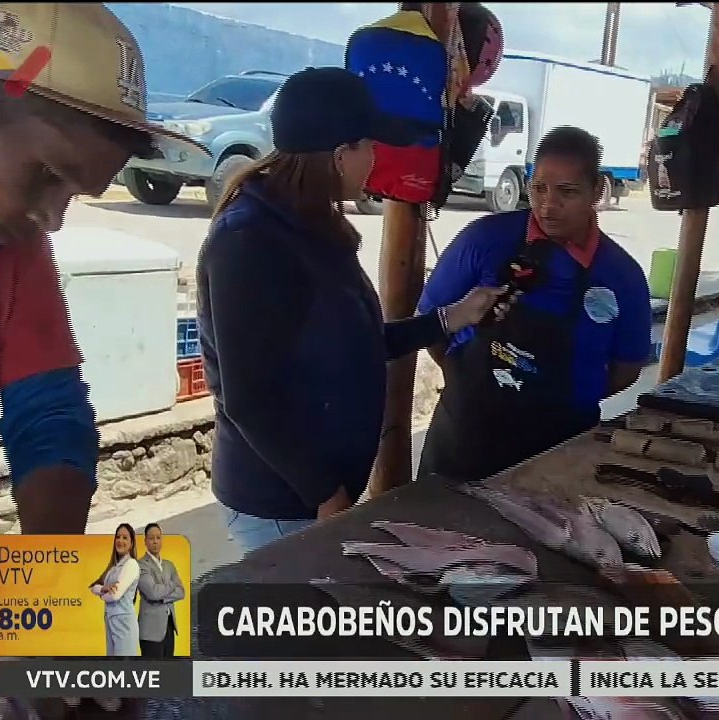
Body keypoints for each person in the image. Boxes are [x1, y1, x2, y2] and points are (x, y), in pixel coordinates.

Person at [0, 3, 204, 708]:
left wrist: (48, 600)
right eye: (47, 174)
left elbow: (50, 417)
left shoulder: (12, 248)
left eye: (76, 194)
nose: (51, 218)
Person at [198, 67, 510, 555]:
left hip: (319, 491)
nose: (375, 160)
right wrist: (326, 494)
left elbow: (358, 341)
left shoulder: (314, 221)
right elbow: (248, 397)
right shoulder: (249, 240)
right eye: (371, 147)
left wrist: (453, 316)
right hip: (283, 501)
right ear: (341, 156)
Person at [417, 126, 653, 483]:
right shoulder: (485, 240)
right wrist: (462, 377)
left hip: (558, 449)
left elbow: (627, 369)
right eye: (539, 188)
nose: (547, 205)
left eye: (567, 192)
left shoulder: (622, 277)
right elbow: (432, 323)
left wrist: (565, 400)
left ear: (597, 190)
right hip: (465, 438)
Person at [90, 524, 142, 657]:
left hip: (124, 624)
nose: (120, 541)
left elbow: (114, 595)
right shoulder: (113, 567)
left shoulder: (131, 564)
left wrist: (102, 594)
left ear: (131, 544)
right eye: (118, 537)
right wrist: (103, 589)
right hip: (110, 621)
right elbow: (94, 587)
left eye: (125, 538)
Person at [136, 523, 185, 658]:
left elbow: (181, 592)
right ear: (145, 541)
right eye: (151, 538)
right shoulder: (140, 565)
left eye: (158, 537)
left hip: (169, 626)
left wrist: (162, 597)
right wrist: (170, 585)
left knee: (168, 671)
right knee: (153, 672)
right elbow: (152, 593)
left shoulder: (169, 565)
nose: (155, 541)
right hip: (150, 631)